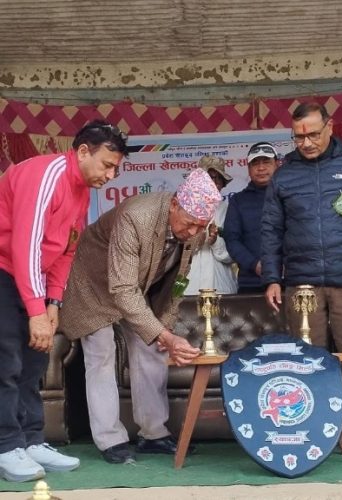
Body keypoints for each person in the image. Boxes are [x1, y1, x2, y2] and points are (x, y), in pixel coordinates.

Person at [59, 168, 221, 464]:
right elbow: (121, 289)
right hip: (94, 282)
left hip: (133, 285)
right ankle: (110, 440)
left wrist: (164, 330)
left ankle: (154, 434)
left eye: (201, 226)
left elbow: (177, 282)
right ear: (174, 204)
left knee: (152, 348)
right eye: (189, 224)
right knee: (101, 353)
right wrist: (166, 336)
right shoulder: (136, 216)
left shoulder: (194, 231)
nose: (193, 233)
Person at [261, 102, 342, 452]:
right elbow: (271, 231)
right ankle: (316, 425)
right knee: (306, 360)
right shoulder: (284, 176)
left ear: (330, 127)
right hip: (301, 284)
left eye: (313, 134)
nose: (306, 142)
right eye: (298, 136)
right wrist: (272, 278)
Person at [0, 121, 127, 482]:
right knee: (6, 362)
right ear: (83, 151)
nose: (110, 175)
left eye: (115, 169)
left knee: (34, 362)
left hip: (32, 278)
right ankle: (6, 446)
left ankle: (30, 440)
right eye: (106, 165)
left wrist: (53, 302)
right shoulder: (46, 176)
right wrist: (35, 310)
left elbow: (67, 251)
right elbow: (25, 246)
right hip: (4, 271)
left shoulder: (81, 190)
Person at [224, 142, 279, 293]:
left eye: (266, 162)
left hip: (290, 280)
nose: (261, 168)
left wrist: (288, 264)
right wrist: (254, 264)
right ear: (248, 168)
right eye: (255, 163)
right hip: (251, 282)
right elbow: (232, 239)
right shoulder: (238, 201)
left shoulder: (290, 196)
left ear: (277, 164)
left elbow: (301, 235)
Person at [185, 155, 237, 295]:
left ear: (222, 184)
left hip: (221, 287)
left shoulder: (229, 210)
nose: (212, 183)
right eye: (208, 178)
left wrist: (215, 242)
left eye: (217, 178)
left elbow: (233, 254)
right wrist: (194, 239)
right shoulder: (182, 210)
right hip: (189, 288)